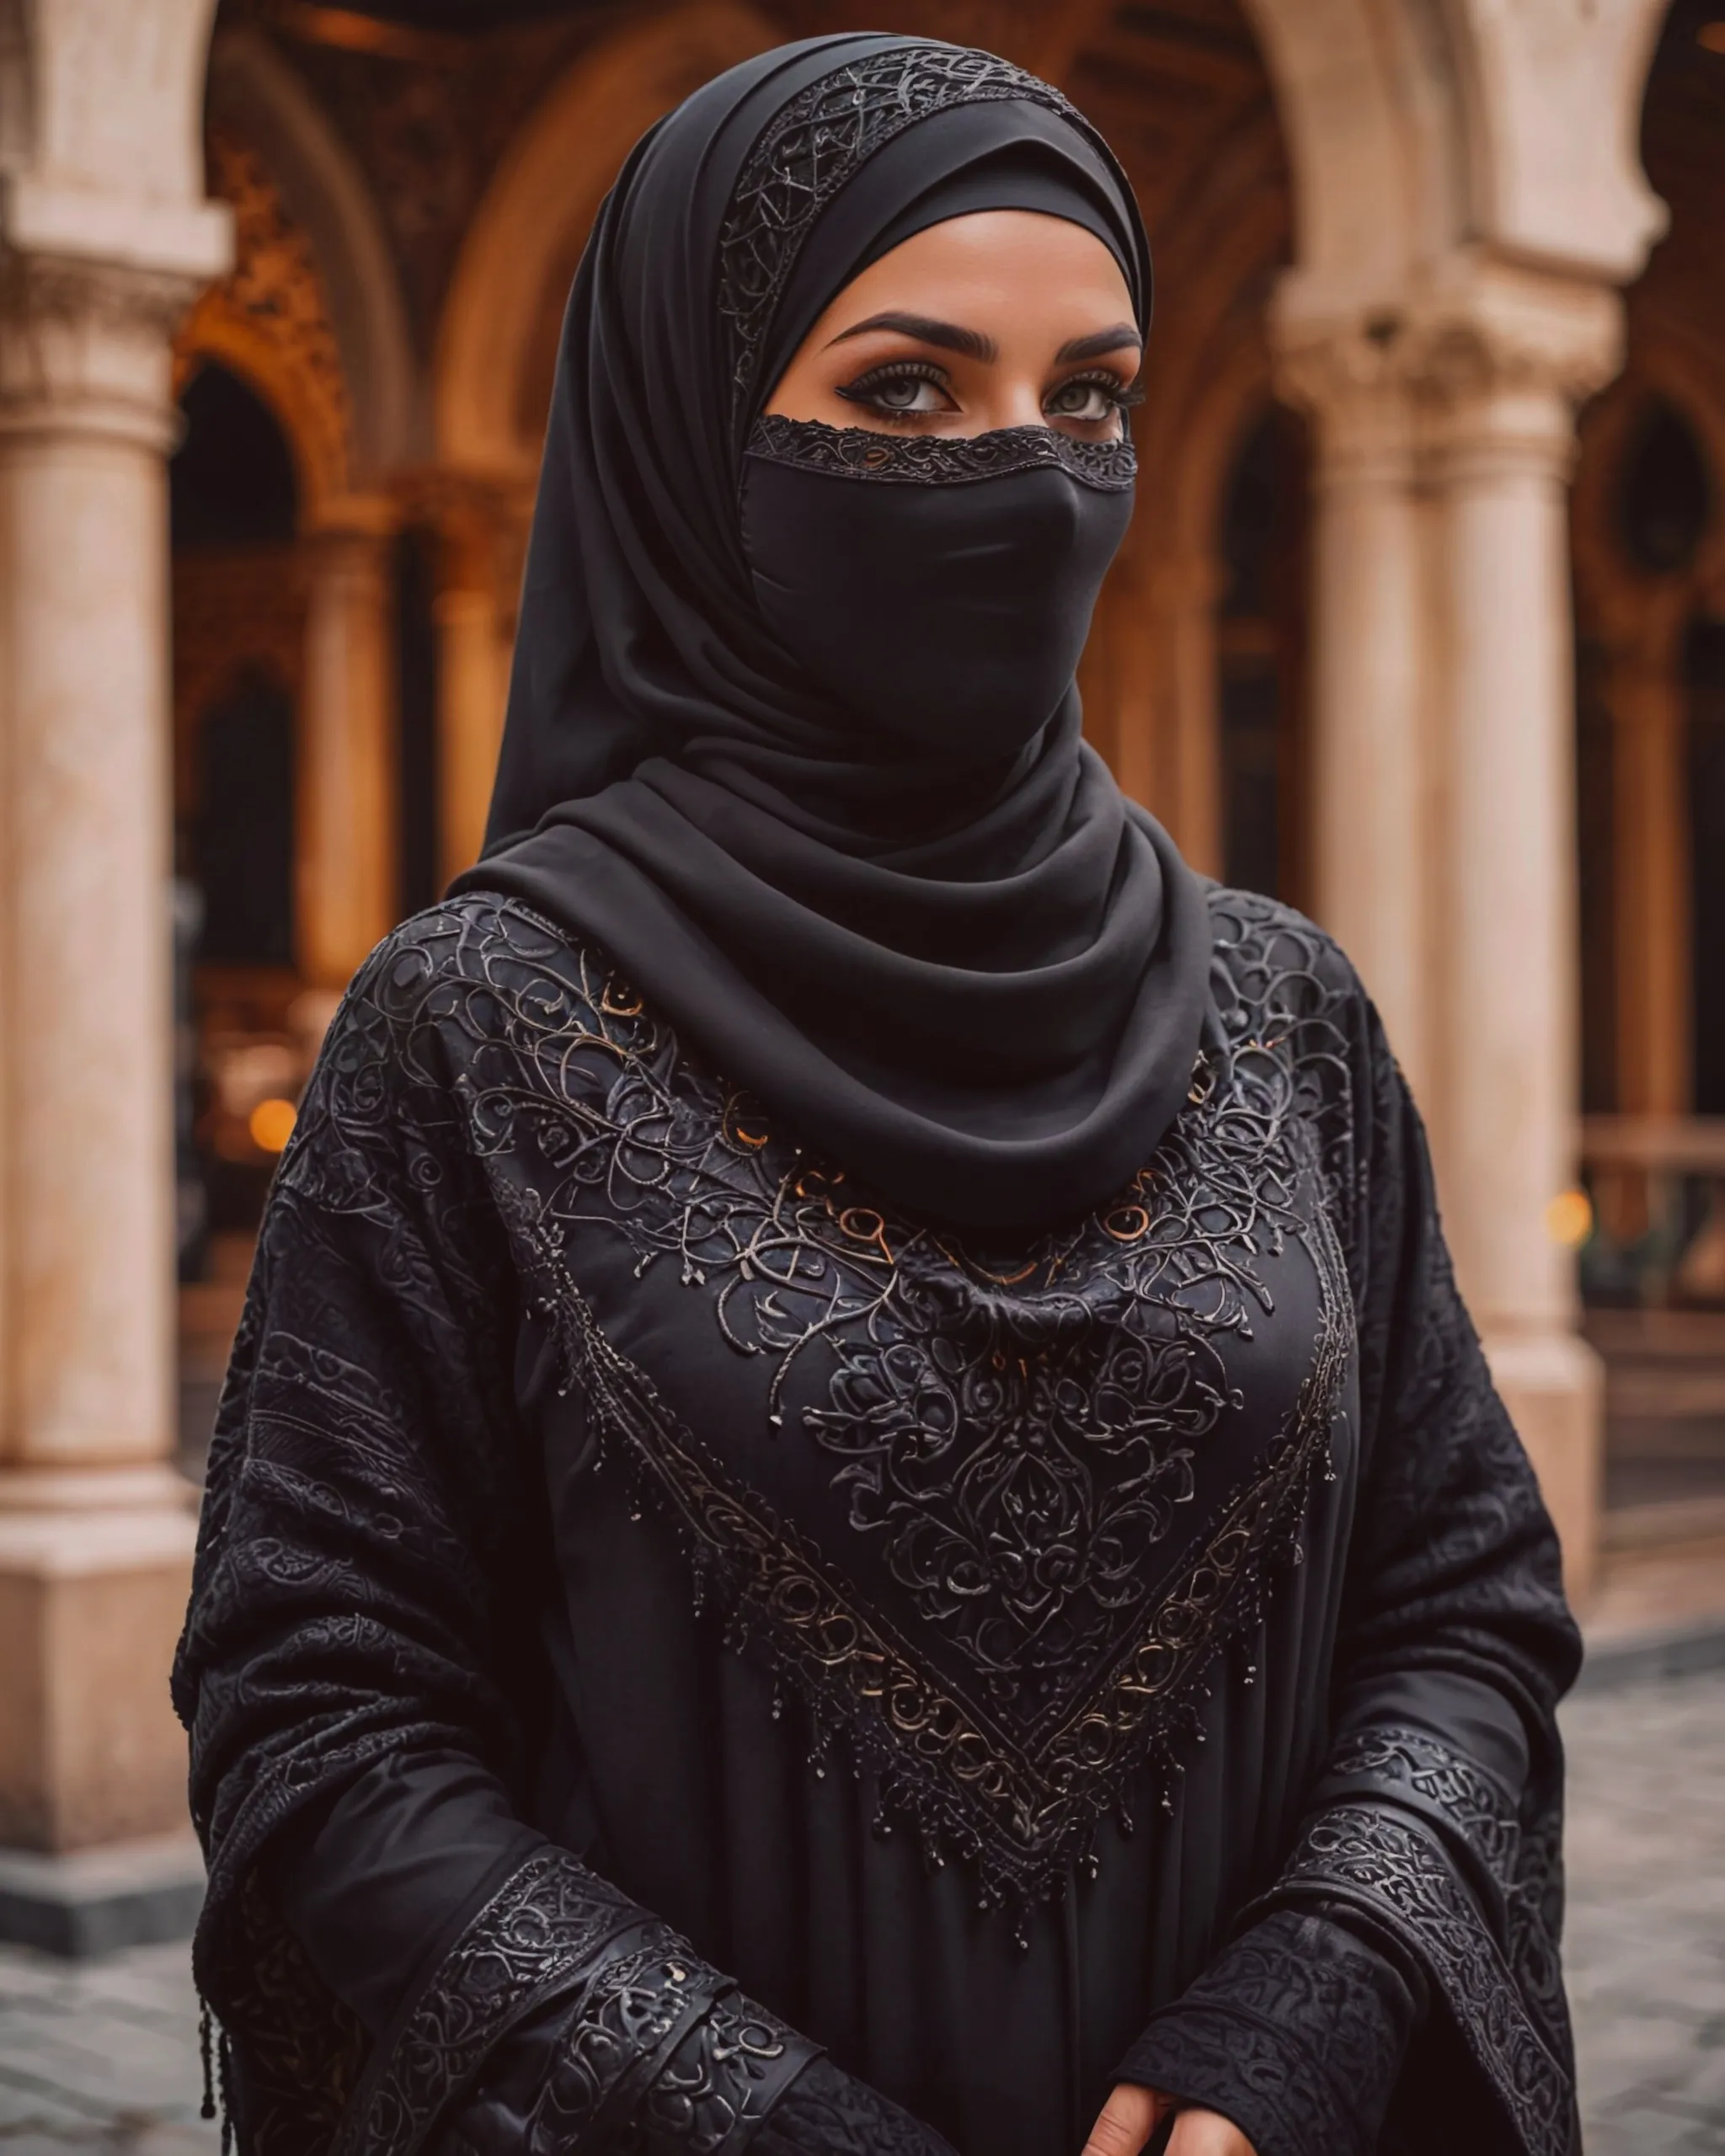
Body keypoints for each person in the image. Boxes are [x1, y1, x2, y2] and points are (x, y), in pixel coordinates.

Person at [173, 33, 1582, 2156]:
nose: (1025, 473)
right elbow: (317, 1710)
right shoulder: (475, 1030)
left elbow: (1461, 1600)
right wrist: (749, 2116)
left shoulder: (1284, 1015)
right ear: (689, 440)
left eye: (1086, 397)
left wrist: (1305, 2010)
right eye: (907, 393)